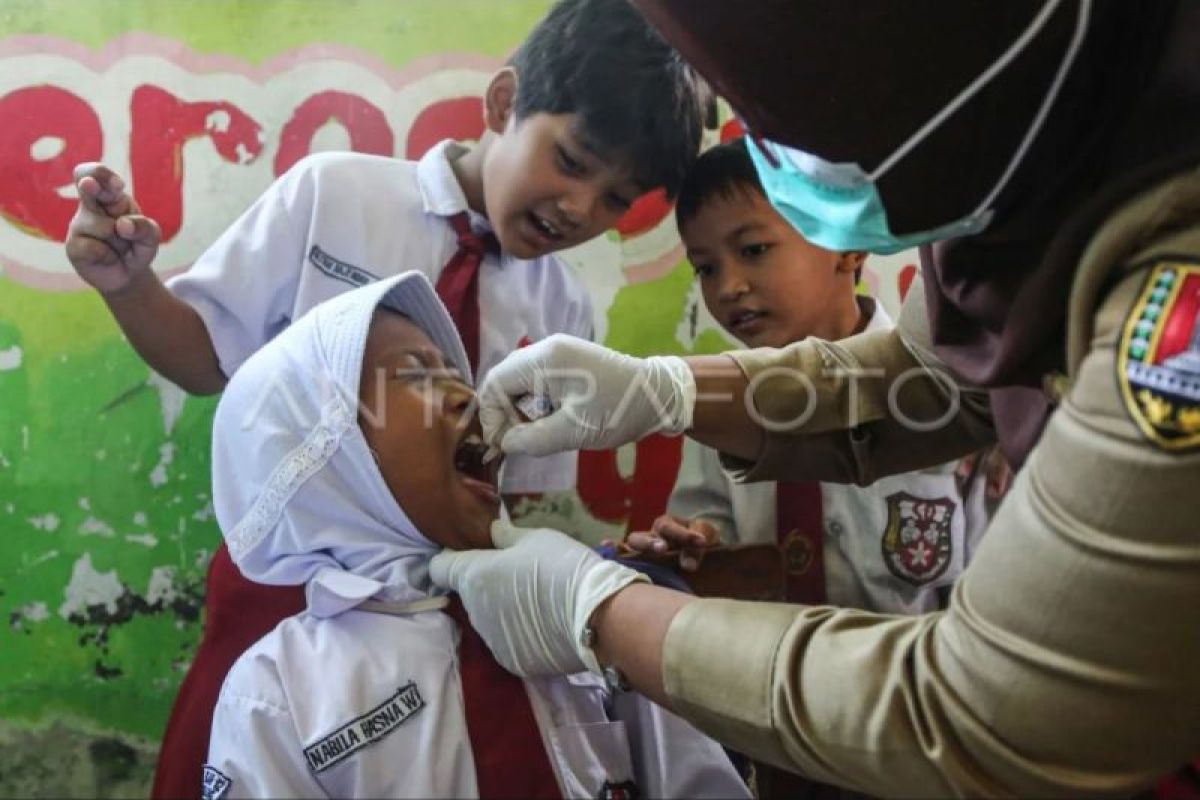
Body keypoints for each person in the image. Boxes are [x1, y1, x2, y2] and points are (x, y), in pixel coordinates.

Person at [429, 1, 1200, 796]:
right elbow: (924, 377)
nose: (774, 157)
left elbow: (992, 714)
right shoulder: (1022, 150)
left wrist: (602, 612)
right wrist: (672, 390)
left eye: (777, 121)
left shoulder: (1176, 285)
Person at [63, 1, 704, 795]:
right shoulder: (337, 195)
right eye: (573, 161)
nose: (581, 210)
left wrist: (602, 579)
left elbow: (514, 509)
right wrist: (129, 287)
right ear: (505, 103)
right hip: (280, 587)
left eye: (617, 200)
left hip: (436, 620)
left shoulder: (564, 311)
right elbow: (205, 358)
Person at [201, 270, 748, 799]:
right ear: (328, 455)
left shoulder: (576, 605)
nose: (469, 397)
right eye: (416, 376)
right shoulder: (280, 690)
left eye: (458, 375)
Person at [626, 140, 991, 617]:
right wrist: (699, 546)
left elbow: (987, 582)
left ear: (847, 247)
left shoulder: (950, 390)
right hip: (762, 675)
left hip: (909, 679)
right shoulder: (718, 404)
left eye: (754, 250)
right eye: (706, 268)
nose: (727, 287)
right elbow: (709, 525)